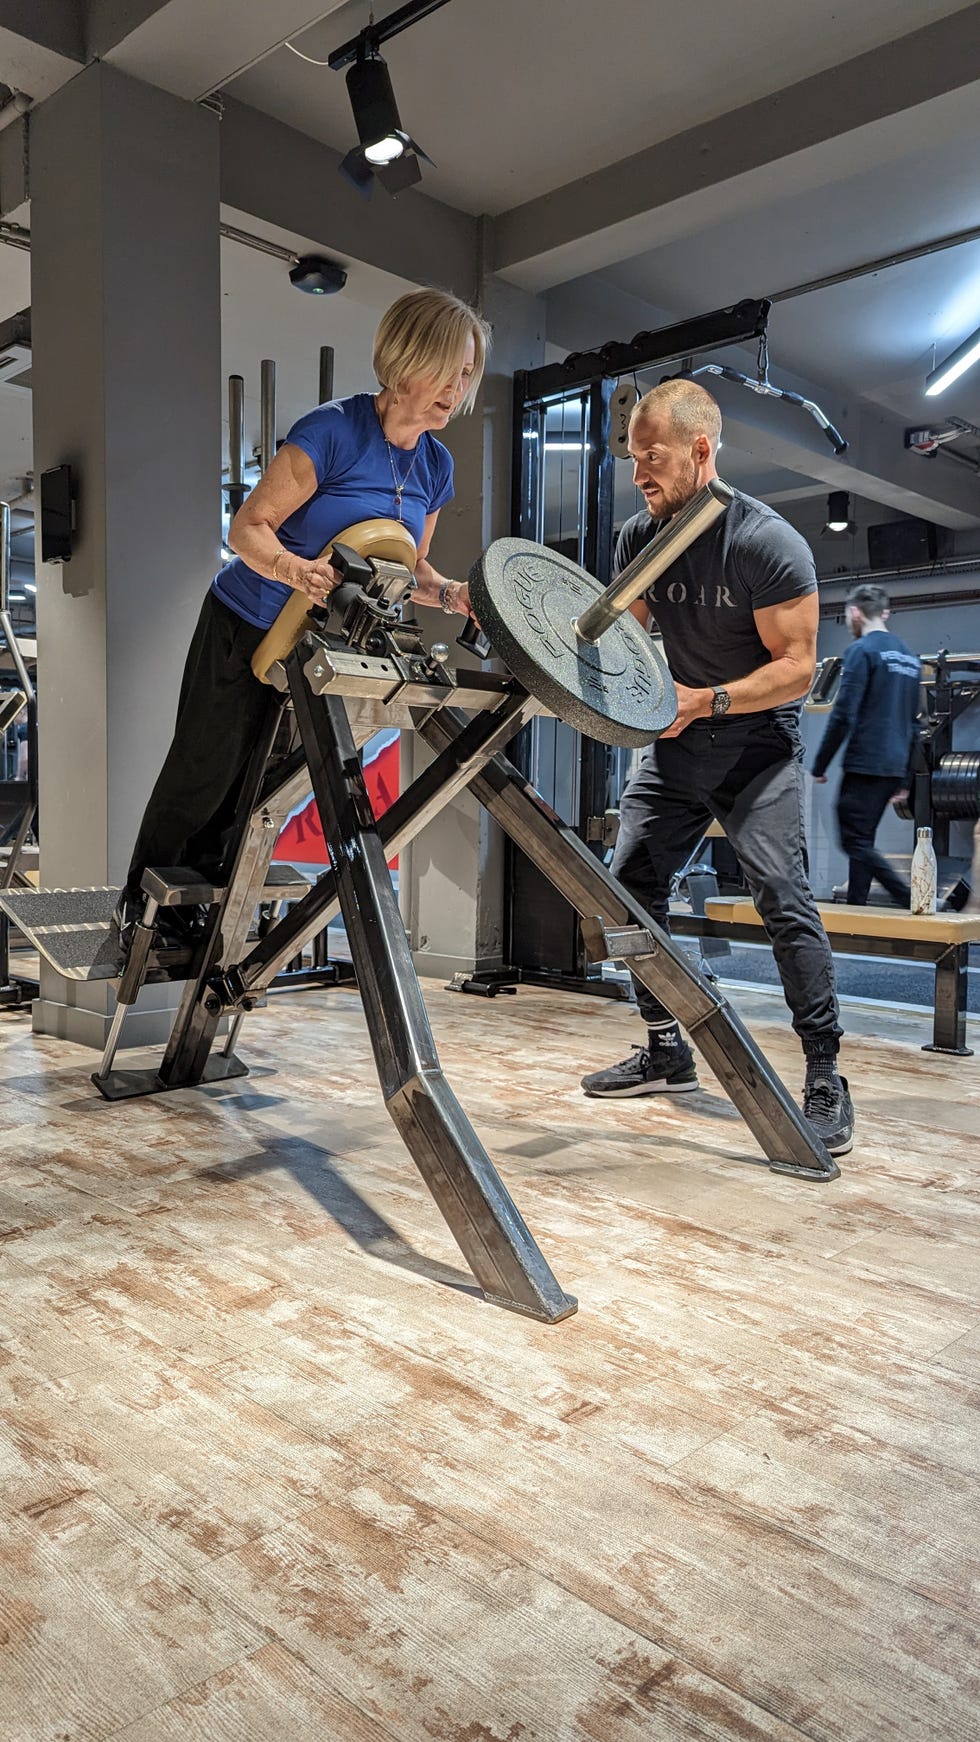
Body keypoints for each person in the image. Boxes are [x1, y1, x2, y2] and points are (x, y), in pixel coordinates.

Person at [115, 287, 489, 949]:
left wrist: (452, 594)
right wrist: (297, 571)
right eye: (449, 367)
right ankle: (141, 912)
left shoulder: (436, 466)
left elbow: (410, 568)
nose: (458, 388)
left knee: (261, 789)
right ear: (407, 359)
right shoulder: (336, 431)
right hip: (246, 621)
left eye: (468, 373)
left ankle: (206, 917)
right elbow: (248, 527)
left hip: (314, 646)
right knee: (206, 770)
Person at [580, 379, 853, 1158]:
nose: (639, 474)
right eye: (634, 460)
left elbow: (798, 668)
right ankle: (666, 1046)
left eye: (652, 457)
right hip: (679, 741)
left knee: (781, 894)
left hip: (757, 742)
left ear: (701, 451)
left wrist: (708, 698)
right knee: (627, 886)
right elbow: (619, 638)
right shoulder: (641, 538)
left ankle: (826, 1072)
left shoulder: (767, 542)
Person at [811, 583, 921, 906]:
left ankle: (908, 897)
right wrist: (906, 779)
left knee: (852, 840)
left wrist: (820, 764)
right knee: (864, 838)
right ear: (883, 612)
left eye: (847, 615)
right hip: (894, 764)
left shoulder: (861, 652)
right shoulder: (909, 658)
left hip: (866, 761)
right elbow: (915, 725)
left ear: (855, 612)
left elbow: (843, 714)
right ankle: (857, 906)